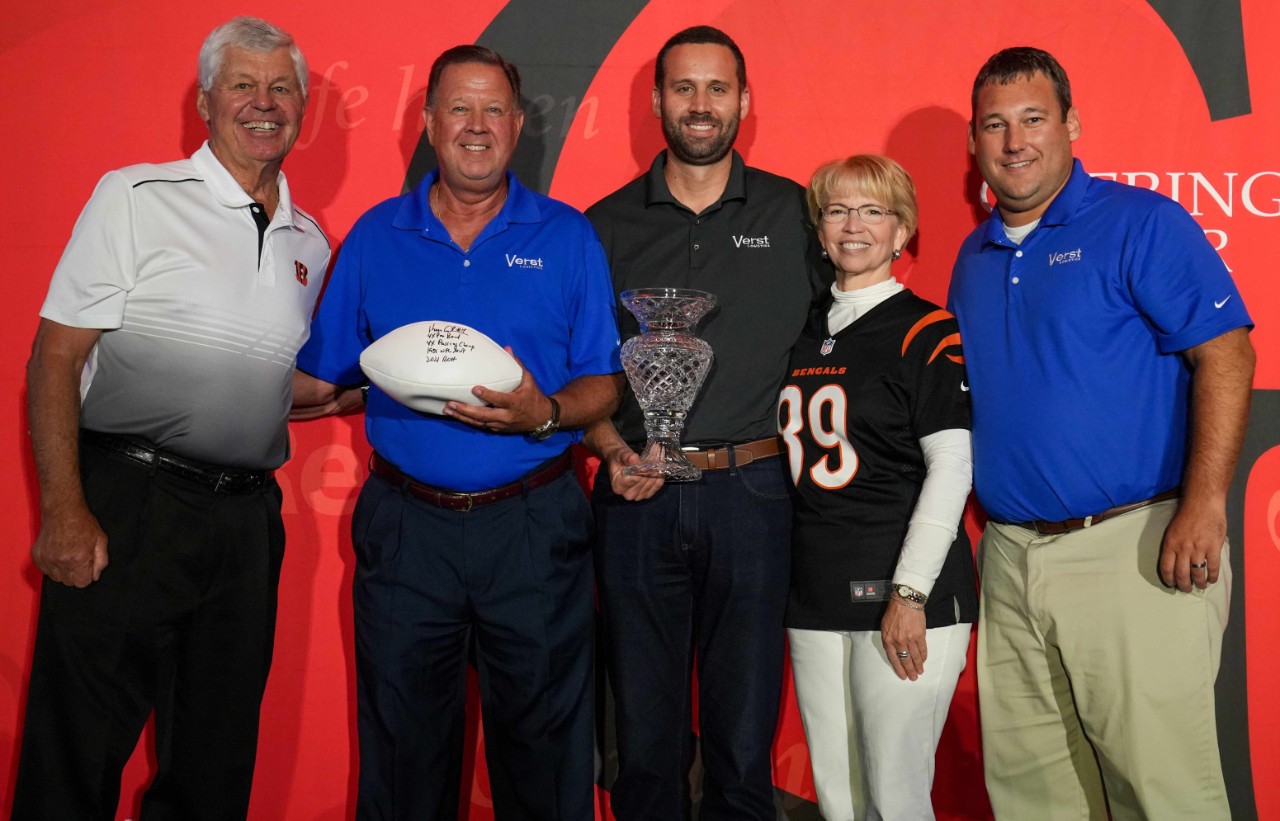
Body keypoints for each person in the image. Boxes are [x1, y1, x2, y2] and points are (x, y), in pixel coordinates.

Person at [291, 45, 622, 821]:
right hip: (408, 531)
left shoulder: (567, 236)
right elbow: (320, 378)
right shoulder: (376, 236)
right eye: (460, 108)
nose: (477, 125)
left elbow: (603, 381)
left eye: (493, 109)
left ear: (518, 124)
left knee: (546, 760)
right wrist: (211, 380)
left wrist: (545, 412)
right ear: (430, 121)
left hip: (534, 525)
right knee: (403, 761)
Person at [12, 16, 329, 820]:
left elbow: (265, 375)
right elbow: (54, 358)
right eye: (243, 85)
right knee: (75, 754)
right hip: (131, 504)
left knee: (213, 766)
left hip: (245, 525)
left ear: (303, 107)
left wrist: (393, 384)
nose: (264, 103)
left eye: (281, 87)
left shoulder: (311, 243)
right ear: (205, 101)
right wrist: (63, 508)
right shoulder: (135, 197)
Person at [949, 46, 1255, 820]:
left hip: (1134, 546)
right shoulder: (972, 255)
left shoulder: (1140, 223)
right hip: (1011, 556)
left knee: (1164, 794)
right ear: (975, 141)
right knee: (1034, 797)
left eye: (1033, 119)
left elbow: (1227, 352)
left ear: (1072, 124)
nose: (1014, 141)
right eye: (995, 124)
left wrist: (1204, 503)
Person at [584, 26, 825, 821]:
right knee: (643, 744)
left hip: (752, 494)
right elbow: (574, 372)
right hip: (636, 495)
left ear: (744, 102)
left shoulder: (796, 214)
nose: (700, 104)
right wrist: (611, 448)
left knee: (742, 745)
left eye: (717, 88)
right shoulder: (603, 226)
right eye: (683, 87)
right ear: (658, 100)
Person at [781, 154, 977, 821]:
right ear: (819, 228)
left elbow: (951, 467)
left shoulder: (925, 329)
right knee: (839, 799)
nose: (853, 225)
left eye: (873, 211)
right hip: (814, 587)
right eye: (837, 210)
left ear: (902, 231)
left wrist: (911, 591)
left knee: (895, 798)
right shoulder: (803, 328)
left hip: (902, 589)